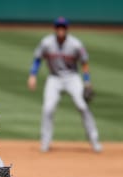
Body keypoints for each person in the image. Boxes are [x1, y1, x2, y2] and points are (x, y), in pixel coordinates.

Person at [27, 16, 102, 153]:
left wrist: (87, 81)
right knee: (48, 109)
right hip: (54, 79)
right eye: (58, 27)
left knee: (82, 106)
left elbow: (84, 63)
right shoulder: (47, 43)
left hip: (72, 78)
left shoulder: (75, 44)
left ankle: (94, 140)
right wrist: (33, 75)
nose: (61, 30)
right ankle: (45, 142)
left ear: (66, 29)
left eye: (63, 27)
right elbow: (37, 59)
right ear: (55, 29)